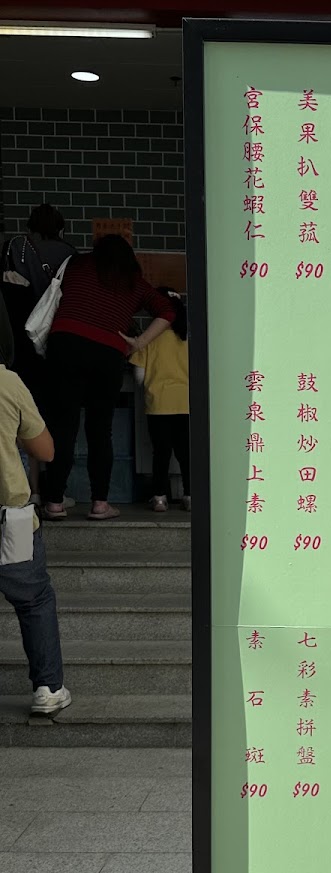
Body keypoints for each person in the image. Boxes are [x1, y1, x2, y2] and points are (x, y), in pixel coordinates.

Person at [42, 234, 175, 521]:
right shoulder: (133, 281)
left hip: (65, 345)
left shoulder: (77, 264)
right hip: (107, 353)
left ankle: (54, 502)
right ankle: (100, 504)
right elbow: (167, 311)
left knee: (63, 427)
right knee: (100, 430)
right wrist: (138, 343)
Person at [0, 292, 70, 715]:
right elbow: (45, 451)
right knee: (33, 600)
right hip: (10, 519)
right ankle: (47, 688)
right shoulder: (7, 383)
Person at [1, 204, 75, 500]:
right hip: (54, 341)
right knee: (50, 417)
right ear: (61, 228)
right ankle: (54, 491)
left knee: (19, 416)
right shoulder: (71, 255)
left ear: (30, 226)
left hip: (20, 337)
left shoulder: (17, 247)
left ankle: (29, 489)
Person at [131, 287, 190, 513]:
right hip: (186, 403)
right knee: (185, 453)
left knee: (161, 453)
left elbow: (139, 376)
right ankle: (189, 496)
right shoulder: (189, 337)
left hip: (158, 404)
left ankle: (159, 498)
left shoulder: (149, 338)